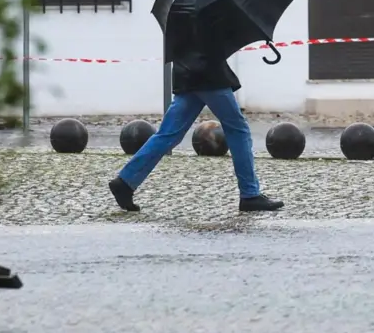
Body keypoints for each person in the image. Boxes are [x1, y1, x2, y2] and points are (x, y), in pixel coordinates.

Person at [108, 44, 284, 214]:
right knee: (238, 129)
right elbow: (215, 40)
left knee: (168, 134)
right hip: (209, 76)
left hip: (186, 74)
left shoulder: (177, 14)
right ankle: (250, 194)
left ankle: (125, 181)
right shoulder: (209, 13)